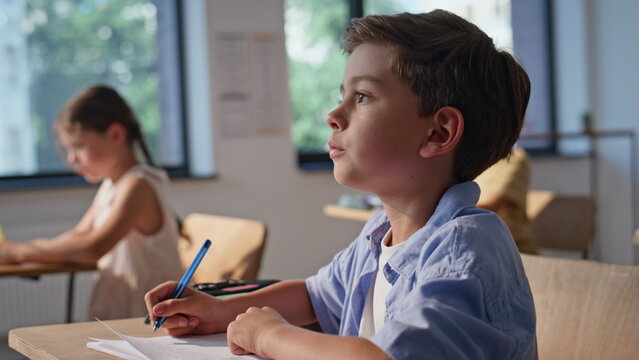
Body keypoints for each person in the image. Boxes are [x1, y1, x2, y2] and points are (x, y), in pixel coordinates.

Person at [144, 10, 537, 359]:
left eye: (362, 96)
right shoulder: (379, 236)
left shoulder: (464, 245)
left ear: (438, 132)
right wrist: (217, 310)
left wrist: (270, 335)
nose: (334, 114)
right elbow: (316, 297)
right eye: (342, 96)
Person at [0, 85, 183, 320]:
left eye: (79, 146)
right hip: (123, 312)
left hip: (147, 315)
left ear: (116, 135)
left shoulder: (138, 185)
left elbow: (91, 248)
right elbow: (78, 236)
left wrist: (18, 251)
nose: (71, 158)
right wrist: (29, 248)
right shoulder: (111, 185)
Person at [475, 147, 539, 254]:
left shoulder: (514, 158)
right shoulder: (472, 159)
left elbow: (494, 203)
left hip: (513, 250)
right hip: (479, 245)